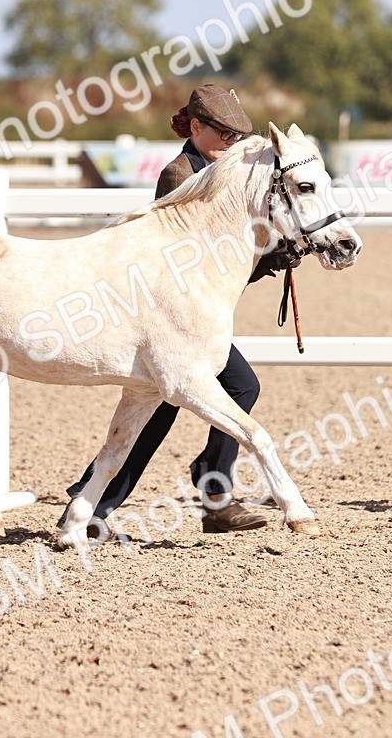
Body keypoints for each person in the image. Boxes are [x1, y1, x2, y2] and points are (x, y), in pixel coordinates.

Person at [64, 84, 301, 535]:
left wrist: (275, 252)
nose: (232, 143)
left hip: (188, 318)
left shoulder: (224, 172)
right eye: (223, 133)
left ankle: (206, 491)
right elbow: (196, 261)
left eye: (237, 135)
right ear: (195, 127)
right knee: (183, 402)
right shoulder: (182, 177)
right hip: (167, 317)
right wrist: (268, 261)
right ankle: (116, 500)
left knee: (234, 388)